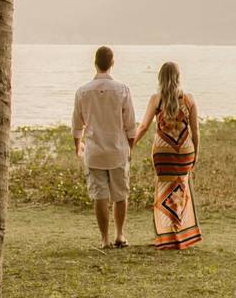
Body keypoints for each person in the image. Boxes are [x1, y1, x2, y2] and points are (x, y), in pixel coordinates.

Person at [71, 46, 136, 249]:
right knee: (120, 194)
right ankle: (120, 235)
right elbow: (130, 124)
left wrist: (77, 146)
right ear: (112, 63)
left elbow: (76, 123)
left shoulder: (82, 91)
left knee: (100, 195)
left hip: (94, 150)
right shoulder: (122, 89)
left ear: (95, 63)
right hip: (117, 149)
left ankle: (104, 238)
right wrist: (130, 147)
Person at [134, 61, 202, 250]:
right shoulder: (188, 99)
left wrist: (130, 145)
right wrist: (196, 153)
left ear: (160, 78)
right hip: (184, 152)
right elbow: (195, 130)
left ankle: (166, 237)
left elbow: (144, 126)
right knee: (181, 191)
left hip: (163, 153)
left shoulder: (157, 99)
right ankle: (181, 235)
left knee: (163, 192)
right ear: (179, 77)